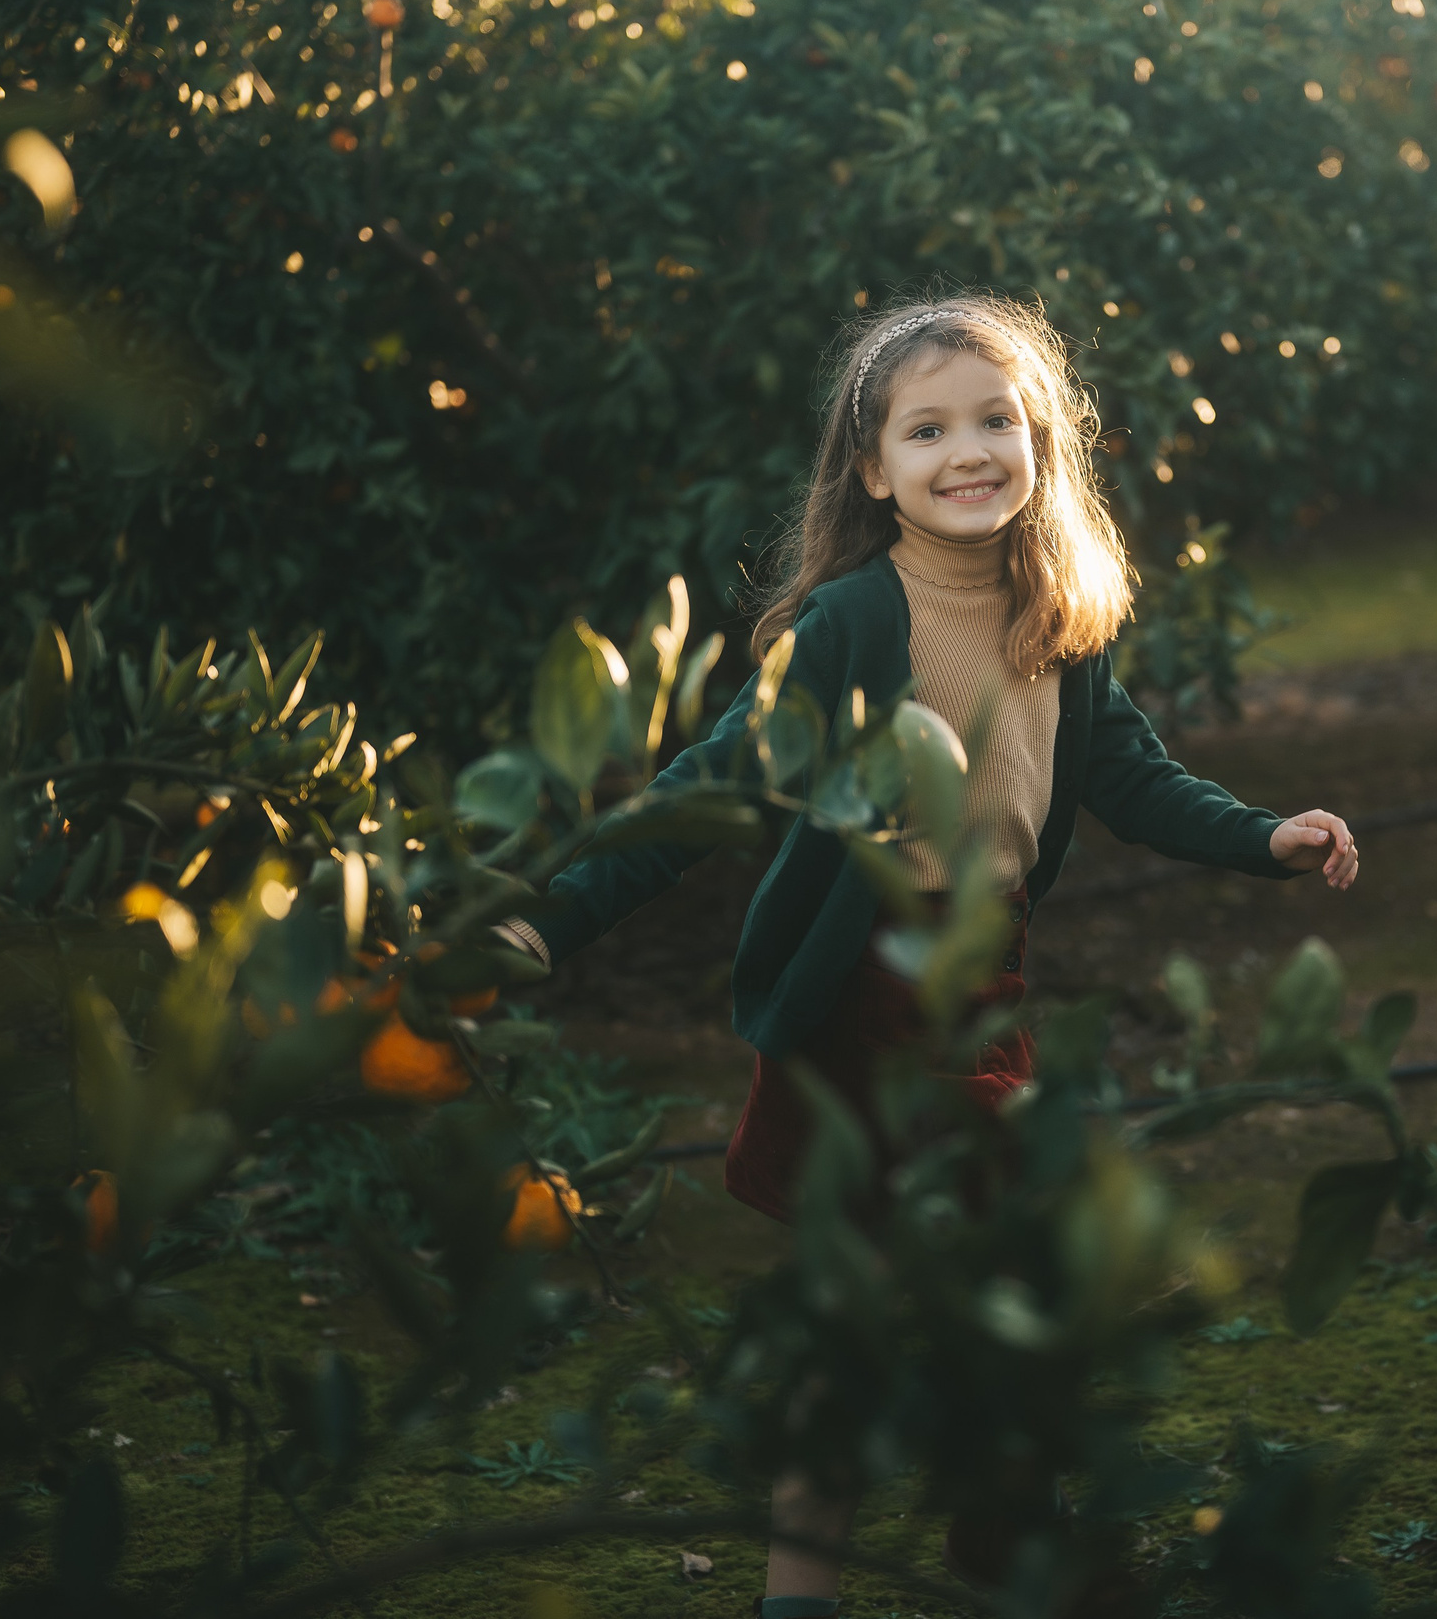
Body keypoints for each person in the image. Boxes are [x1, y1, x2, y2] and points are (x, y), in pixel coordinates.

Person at [495, 291, 1358, 1619]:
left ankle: (996, 1541)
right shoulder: (850, 622)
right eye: (928, 429)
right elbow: (709, 783)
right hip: (865, 992)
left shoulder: (1054, 613)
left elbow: (1131, 777)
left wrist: (1263, 836)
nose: (970, 452)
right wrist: (547, 919)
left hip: (983, 982)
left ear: (1040, 442)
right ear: (873, 467)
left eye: (996, 421)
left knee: (902, 1319)